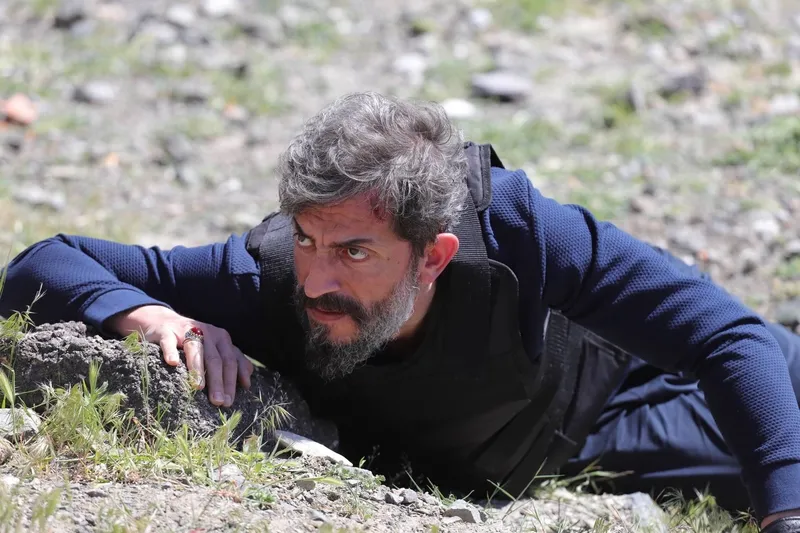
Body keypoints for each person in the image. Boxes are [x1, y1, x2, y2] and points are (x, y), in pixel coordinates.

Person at [2, 91, 800, 531]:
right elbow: (44, 261)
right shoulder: (268, 275)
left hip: (620, 392)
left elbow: (727, 336)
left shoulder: (522, 234)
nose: (317, 279)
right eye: (307, 238)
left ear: (434, 256)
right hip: (566, 456)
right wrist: (149, 315)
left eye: (354, 252)